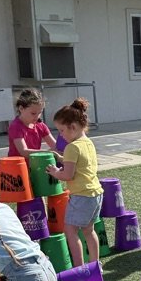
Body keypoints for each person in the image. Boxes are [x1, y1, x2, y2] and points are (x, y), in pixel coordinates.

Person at [46, 99, 103, 267]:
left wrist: (56, 172)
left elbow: (68, 175)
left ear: (73, 126)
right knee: (89, 230)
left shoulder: (72, 147)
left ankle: (79, 268)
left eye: (62, 130)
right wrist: (62, 158)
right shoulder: (87, 143)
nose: (61, 135)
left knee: (70, 231)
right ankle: (94, 264)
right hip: (96, 194)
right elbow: (80, 164)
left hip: (81, 196)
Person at [8, 88, 60, 159]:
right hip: (18, 167)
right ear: (21, 108)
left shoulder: (41, 126)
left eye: (40, 112)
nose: (37, 116)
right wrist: (48, 152)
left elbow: (56, 146)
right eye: (33, 113)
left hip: (34, 164)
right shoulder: (16, 126)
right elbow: (23, 151)